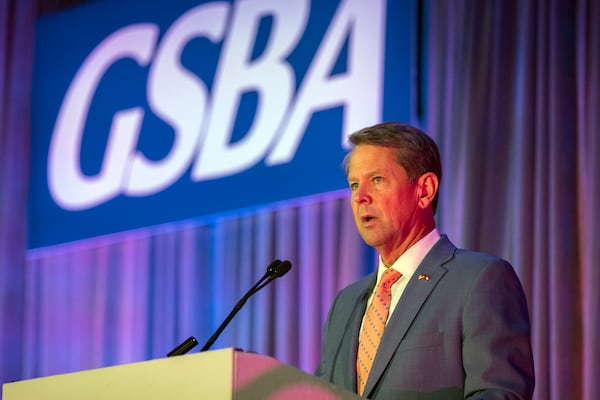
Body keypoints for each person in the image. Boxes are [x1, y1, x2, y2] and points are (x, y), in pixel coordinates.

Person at [315, 122, 535, 399]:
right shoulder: (346, 303)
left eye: (377, 180)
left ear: (425, 190)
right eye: (354, 184)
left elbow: (499, 393)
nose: (360, 197)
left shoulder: (479, 279)